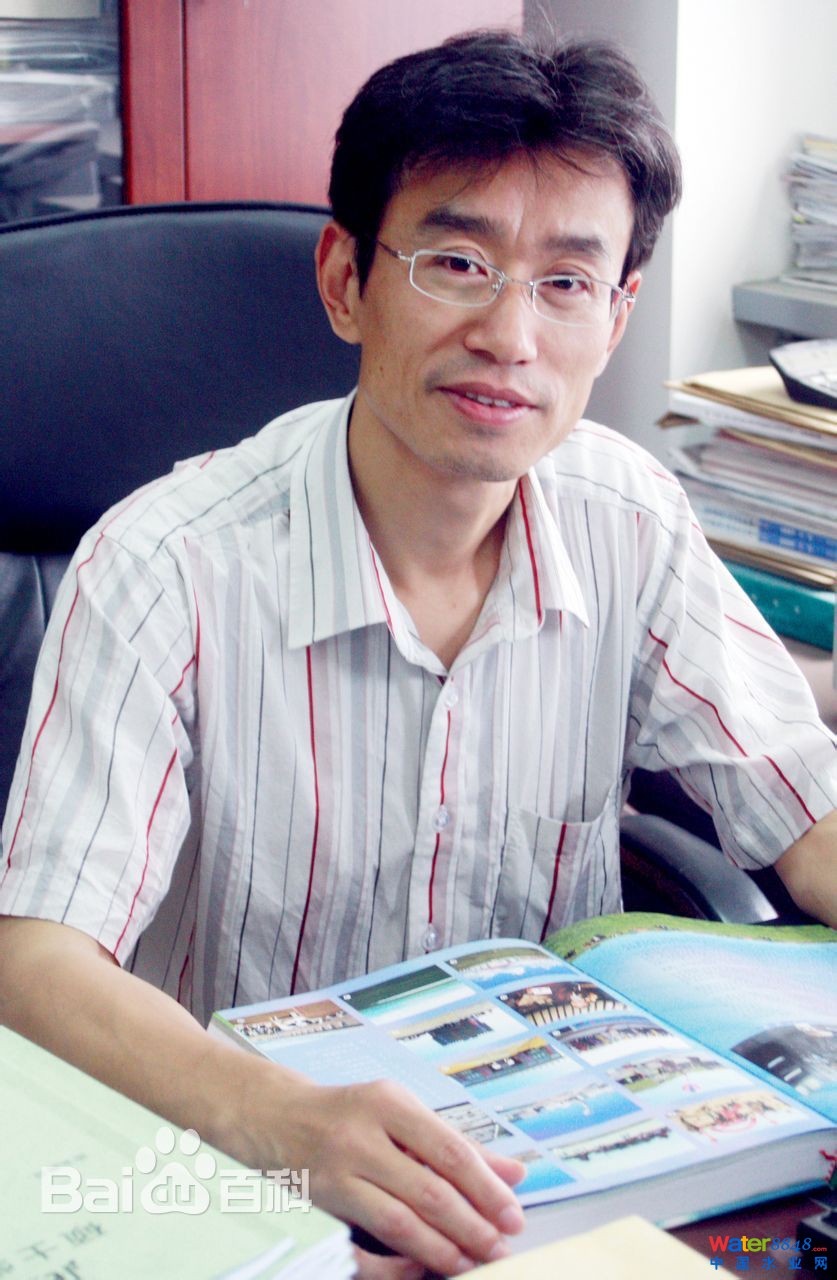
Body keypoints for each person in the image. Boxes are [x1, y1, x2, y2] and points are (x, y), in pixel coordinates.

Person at [1, 28, 835, 1279]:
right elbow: (33, 960)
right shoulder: (161, 564)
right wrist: (275, 1118)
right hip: (246, 1179)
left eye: (567, 282)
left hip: (553, 1173)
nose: (511, 333)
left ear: (617, 317)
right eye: (457, 262)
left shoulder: (630, 519)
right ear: (346, 280)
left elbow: (808, 814)